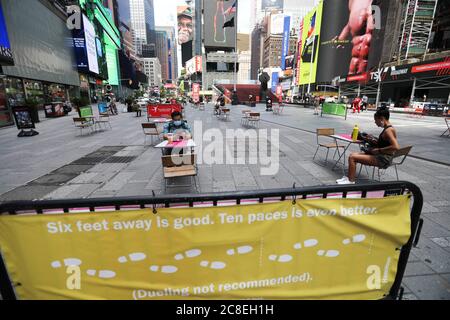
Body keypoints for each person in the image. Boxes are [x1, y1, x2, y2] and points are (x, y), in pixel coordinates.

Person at [336, 106, 400, 185]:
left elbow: (396, 147)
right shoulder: (388, 128)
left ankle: (350, 181)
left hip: (383, 159)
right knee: (352, 155)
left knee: (352, 157)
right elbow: (385, 143)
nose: (375, 122)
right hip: (382, 156)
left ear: (382, 119)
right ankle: (349, 177)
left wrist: (379, 150)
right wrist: (374, 140)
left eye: (376, 120)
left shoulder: (388, 130)